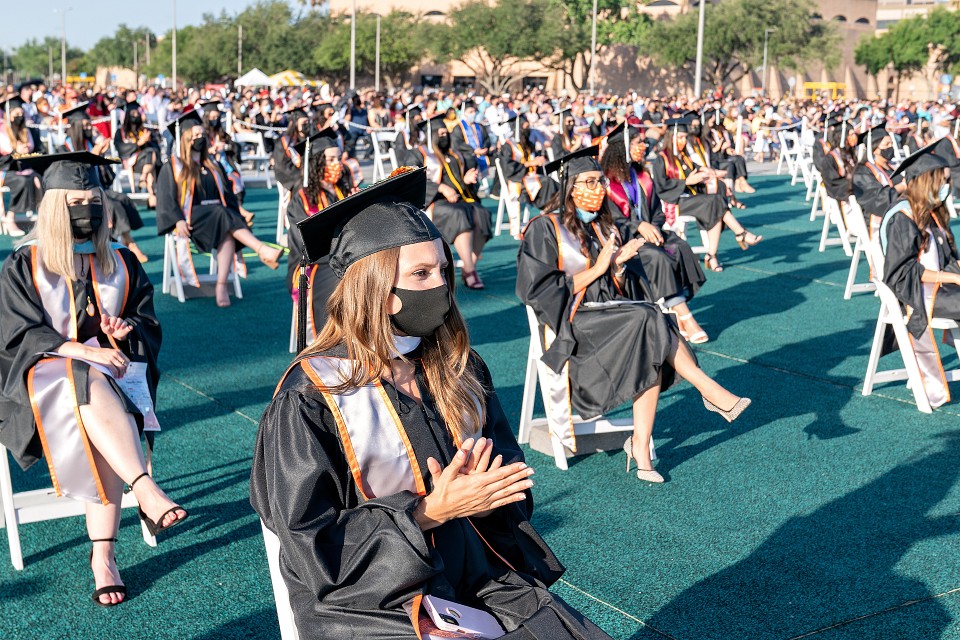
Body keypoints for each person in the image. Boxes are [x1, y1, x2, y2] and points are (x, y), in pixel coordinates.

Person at [252, 167, 615, 639]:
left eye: (441, 270)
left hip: (480, 577)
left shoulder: (459, 367)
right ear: (375, 289)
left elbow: (513, 488)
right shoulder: (312, 397)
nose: (440, 287)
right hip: (374, 603)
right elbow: (312, 548)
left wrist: (484, 499)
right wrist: (427, 512)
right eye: (421, 274)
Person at [0, 151, 187, 607]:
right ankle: (142, 489)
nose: (89, 208)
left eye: (95, 198)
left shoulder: (121, 262)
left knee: (94, 388)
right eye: (76, 200)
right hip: (35, 382)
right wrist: (82, 348)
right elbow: (14, 334)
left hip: (108, 380)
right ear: (55, 206)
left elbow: (146, 324)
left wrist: (122, 334)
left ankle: (103, 556)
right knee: (85, 375)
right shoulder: (24, 263)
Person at [517, 147, 752, 483]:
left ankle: (642, 446)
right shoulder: (544, 228)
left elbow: (614, 291)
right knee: (650, 320)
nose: (598, 189)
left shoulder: (601, 227)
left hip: (609, 319)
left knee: (651, 321)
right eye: (589, 182)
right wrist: (601, 267)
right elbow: (538, 290)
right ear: (570, 187)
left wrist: (617, 266)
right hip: (573, 325)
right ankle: (708, 392)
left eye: (600, 182)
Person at [155, 111, 283, 308]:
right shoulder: (173, 166)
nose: (200, 139)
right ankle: (261, 249)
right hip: (190, 218)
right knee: (223, 214)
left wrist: (238, 212)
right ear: (185, 139)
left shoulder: (213, 164)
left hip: (218, 218)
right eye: (195, 136)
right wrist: (177, 219)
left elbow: (228, 196)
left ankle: (221, 285)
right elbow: (165, 197)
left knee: (227, 227)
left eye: (202, 135)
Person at [601, 123, 709, 343]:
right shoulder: (607, 182)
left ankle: (677, 310)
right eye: (638, 142)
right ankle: (685, 316)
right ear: (622, 148)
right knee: (658, 257)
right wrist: (638, 227)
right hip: (624, 241)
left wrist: (655, 229)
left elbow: (657, 211)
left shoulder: (641, 175)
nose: (644, 145)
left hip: (649, 236)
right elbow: (611, 219)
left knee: (680, 247)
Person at [881, 144, 960, 409]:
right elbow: (902, 272)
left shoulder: (932, 213)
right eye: (941, 181)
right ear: (927, 181)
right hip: (917, 295)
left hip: (942, 288)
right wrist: (955, 279)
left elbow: (948, 257)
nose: (945, 187)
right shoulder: (902, 217)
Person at [650, 117, 762, 273]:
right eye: (680, 137)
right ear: (671, 137)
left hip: (691, 200)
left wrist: (712, 173)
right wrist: (686, 182)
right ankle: (738, 234)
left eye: (684, 137)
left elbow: (698, 169)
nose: (683, 140)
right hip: (674, 202)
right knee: (714, 202)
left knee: (716, 203)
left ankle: (713, 254)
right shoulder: (661, 160)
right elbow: (661, 187)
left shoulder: (683, 157)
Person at [285, 128, 358, 340]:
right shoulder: (302, 198)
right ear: (317, 162)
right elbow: (303, 243)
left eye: (338, 158)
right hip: (312, 264)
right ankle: (332, 341)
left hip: (344, 258)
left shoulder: (344, 190)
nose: (337, 164)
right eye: (331, 159)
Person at [407, 113, 491, 289]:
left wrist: (466, 179)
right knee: (460, 214)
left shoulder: (453, 155)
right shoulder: (418, 155)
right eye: (441, 134)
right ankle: (470, 270)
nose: (445, 137)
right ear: (432, 136)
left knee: (481, 212)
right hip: (432, 203)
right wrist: (439, 188)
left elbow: (457, 183)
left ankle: (469, 267)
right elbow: (411, 181)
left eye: (447, 133)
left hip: (457, 200)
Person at [59, 102, 149, 263]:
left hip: (98, 188)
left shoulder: (89, 143)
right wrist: (92, 156)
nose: (88, 128)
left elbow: (103, 174)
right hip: (80, 194)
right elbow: (71, 176)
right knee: (114, 206)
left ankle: (125, 241)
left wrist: (100, 154)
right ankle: (130, 244)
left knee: (123, 199)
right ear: (76, 127)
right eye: (85, 125)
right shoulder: (64, 149)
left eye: (89, 125)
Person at [495, 114, 557, 239]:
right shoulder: (508, 145)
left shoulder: (527, 143)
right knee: (546, 182)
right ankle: (547, 210)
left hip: (529, 177)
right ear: (517, 129)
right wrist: (529, 163)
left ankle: (550, 211)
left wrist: (538, 160)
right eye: (524, 126)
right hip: (515, 181)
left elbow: (533, 160)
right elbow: (508, 169)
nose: (527, 129)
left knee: (550, 182)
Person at [0, 97, 42, 235]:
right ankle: (10, 219)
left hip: (26, 170)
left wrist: (27, 152)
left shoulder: (29, 131)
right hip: (5, 171)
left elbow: (40, 151)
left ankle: (43, 218)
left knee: (40, 179)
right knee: (22, 181)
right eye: (16, 114)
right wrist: (14, 153)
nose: (19, 117)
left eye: (21, 114)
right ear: (8, 115)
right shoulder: (2, 132)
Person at [113, 101, 160, 208]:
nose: (136, 116)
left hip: (146, 161)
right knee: (151, 157)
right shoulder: (121, 132)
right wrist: (139, 143)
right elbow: (121, 149)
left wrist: (147, 142)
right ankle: (152, 196)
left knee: (151, 152)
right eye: (133, 114)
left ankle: (144, 179)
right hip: (131, 162)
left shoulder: (144, 130)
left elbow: (156, 146)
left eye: (137, 114)